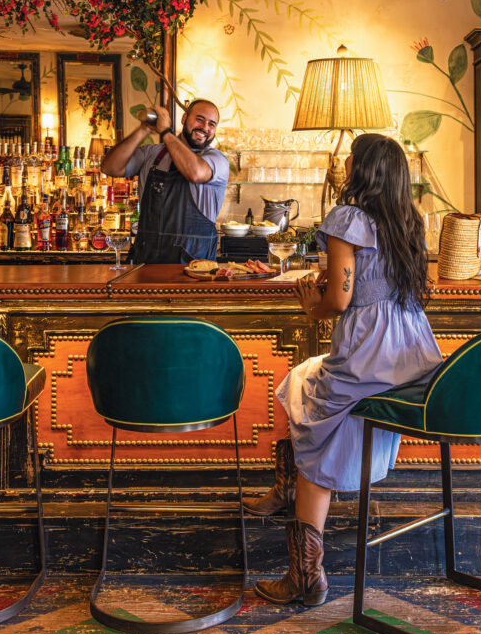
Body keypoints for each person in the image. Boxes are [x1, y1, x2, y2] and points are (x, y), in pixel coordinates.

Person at [246, 133, 443, 607]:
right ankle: (289, 480)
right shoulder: (407, 221)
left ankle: (305, 576)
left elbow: (340, 298)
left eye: (351, 157)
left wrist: (311, 308)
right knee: (303, 376)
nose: (344, 162)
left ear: (365, 170)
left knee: (312, 421)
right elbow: (378, 284)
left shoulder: (348, 217)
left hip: (369, 353)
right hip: (410, 355)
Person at [101, 98, 229, 264]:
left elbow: (195, 172)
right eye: (199, 119)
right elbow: (109, 167)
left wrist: (166, 133)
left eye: (212, 124)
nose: (205, 127)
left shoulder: (217, 159)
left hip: (195, 268)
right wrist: (143, 129)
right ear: (184, 119)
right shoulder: (153, 154)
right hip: (147, 262)